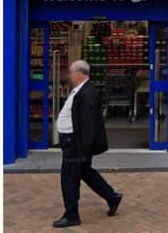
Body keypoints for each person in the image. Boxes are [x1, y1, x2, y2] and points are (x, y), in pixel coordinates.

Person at [53, 60, 123, 228]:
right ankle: (112, 197)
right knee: (85, 172)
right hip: (73, 141)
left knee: (69, 179)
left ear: (79, 73)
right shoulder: (81, 91)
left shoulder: (87, 94)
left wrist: (84, 148)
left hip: (75, 143)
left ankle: (72, 215)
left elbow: (89, 124)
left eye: (70, 72)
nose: (69, 76)